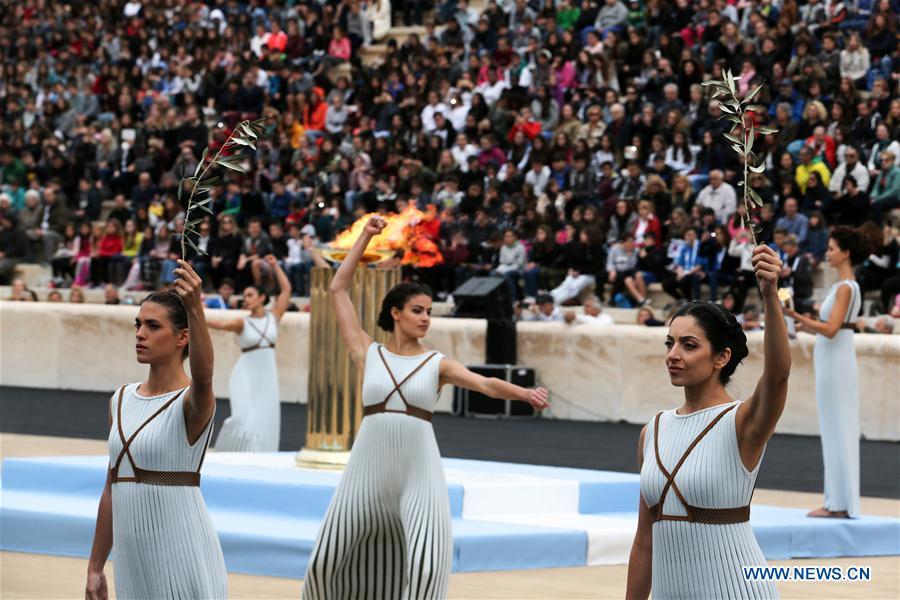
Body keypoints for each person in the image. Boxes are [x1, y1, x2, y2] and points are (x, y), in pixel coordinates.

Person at [303, 217, 549, 599]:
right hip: (366, 468)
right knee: (325, 562)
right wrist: (366, 237)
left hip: (419, 470)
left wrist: (524, 392)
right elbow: (338, 288)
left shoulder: (437, 363)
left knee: (424, 567)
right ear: (396, 313)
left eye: (429, 312)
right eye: (417, 310)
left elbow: (485, 384)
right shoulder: (367, 353)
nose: (425, 318)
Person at [626, 244, 791, 599]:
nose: (673, 354)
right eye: (670, 343)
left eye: (688, 345)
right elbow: (644, 543)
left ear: (722, 357)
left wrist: (770, 296)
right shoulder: (651, 432)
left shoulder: (742, 423)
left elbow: (777, 377)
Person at [85, 261, 226, 600]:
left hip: (184, 551)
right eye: (138, 324)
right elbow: (111, 488)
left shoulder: (193, 402)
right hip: (133, 560)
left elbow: (205, 377)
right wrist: (95, 565)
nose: (140, 333)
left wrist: (195, 308)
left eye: (152, 325)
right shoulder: (119, 400)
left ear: (182, 337)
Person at [784, 227, 868, 518]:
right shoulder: (841, 287)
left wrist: (796, 317)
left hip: (837, 364)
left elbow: (831, 330)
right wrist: (798, 321)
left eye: (832, 248)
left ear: (845, 253)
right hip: (832, 362)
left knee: (839, 429)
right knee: (833, 429)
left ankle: (839, 504)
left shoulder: (846, 287)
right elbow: (830, 327)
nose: (827, 252)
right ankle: (837, 501)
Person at [208, 255, 291, 452]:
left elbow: (286, 290)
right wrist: (193, 314)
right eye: (244, 296)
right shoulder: (241, 322)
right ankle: (227, 452)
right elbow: (218, 324)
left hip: (267, 376)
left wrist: (275, 265)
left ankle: (260, 454)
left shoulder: (274, 317)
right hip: (245, 373)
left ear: (262, 298)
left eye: (250, 295)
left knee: (265, 416)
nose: (245, 299)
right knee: (242, 415)